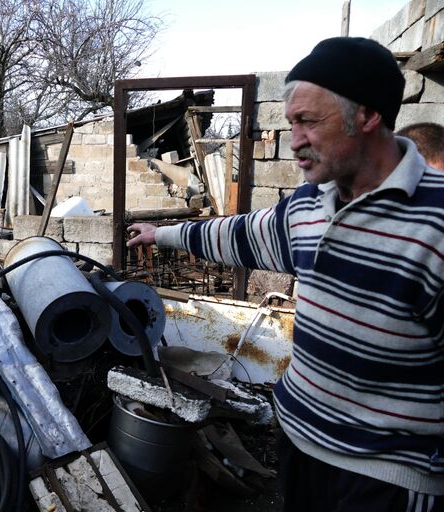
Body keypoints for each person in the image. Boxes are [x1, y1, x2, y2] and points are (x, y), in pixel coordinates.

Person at [128, 37, 444, 511]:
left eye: (308, 121)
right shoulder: (310, 204)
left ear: (367, 116)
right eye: (291, 121)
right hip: (298, 448)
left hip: (384, 479)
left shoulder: (436, 223)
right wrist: (162, 235)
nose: (293, 140)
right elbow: (240, 235)